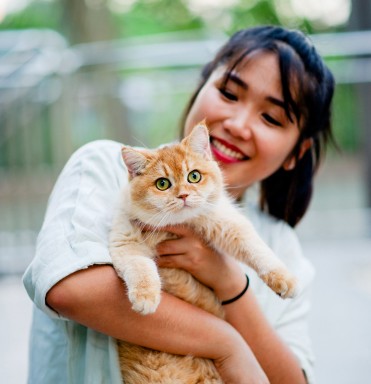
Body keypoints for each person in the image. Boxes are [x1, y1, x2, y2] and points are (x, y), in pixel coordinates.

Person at [23, 25, 335, 384]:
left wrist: (230, 283)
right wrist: (225, 343)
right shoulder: (103, 166)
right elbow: (68, 288)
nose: (237, 124)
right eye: (230, 93)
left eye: (270, 117)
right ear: (201, 85)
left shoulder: (283, 245)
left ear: (297, 153)